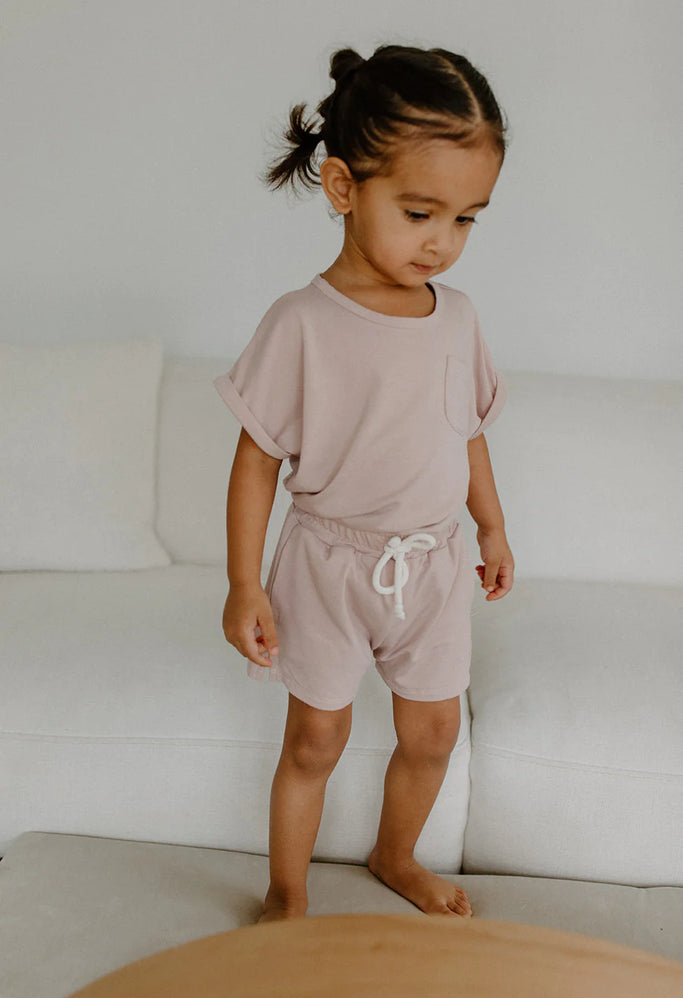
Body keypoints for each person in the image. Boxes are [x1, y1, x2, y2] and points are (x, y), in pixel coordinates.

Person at [214, 43, 515, 923]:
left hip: (432, 566)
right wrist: (242, 583)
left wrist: (491, 528)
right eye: (419, 212)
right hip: (329, 566)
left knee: (434, 731)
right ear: (343, 186)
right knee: (316, 737)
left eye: (466, 219)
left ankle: (395, 854)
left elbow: (466, 433)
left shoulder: (457, 318)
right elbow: (255, 460)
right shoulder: (301, 323)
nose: (441, 241)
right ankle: (286, 893)